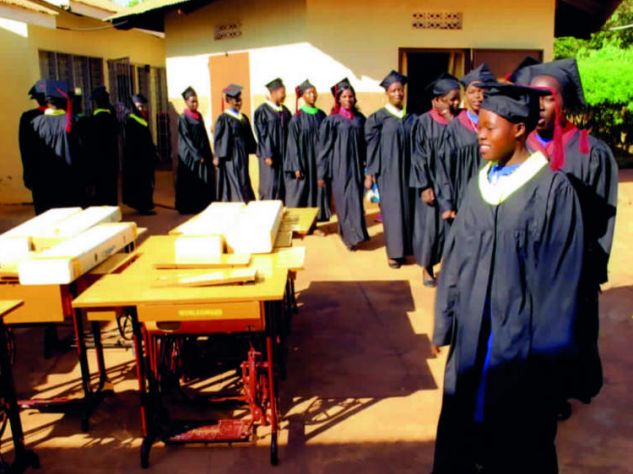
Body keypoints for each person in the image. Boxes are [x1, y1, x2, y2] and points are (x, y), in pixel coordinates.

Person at [432, 82, 583, 474]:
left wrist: (549, 361)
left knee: (516, 436)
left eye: (488, 126)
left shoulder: (553, 190)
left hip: (520, 342)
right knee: (464, 425)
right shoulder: (478, 184)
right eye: (478, 125)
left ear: (518, 129)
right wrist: (445, 322)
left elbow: (561, 285)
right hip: (471, 335)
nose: (478, 134)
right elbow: (456, 256)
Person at [520, 59, 618, 413]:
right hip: (527, 261)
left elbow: (602, 219)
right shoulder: (520, 147)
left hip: (571, 263)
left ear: (563, 102)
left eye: (547, 98)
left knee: (564, 328)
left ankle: (557, 391)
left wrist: (592, 266)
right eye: (533, 98)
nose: (539, 107)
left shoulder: (591, 151)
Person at [410, 72, 460, 286]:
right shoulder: (423, 123)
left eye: (459, 98)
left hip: (455, 185)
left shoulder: (461, 122)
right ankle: (427, 268)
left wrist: (452, 119)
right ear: (438, 100)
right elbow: (417, 156)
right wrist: (423, 186)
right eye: (452, 99)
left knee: (452, 229)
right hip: (432, 183)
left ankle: (451, 269)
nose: (457, 103)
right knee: (430, 229)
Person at [365, 70, 416, 268]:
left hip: (409, 172)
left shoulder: (411, 118)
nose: (398, 94)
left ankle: (406, 249)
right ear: (387, 93)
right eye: (393, 90)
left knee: (408, 210)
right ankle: (394, 253)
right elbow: (372, 146)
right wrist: (372, 172)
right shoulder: (378, 118)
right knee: (393, 211)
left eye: (400, 90)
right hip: (388, 173)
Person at [317, 78, 369, 250]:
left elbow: (366, 145)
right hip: (339, 167)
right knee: (343, 202)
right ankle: (349, 238)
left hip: (356, 167)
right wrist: (321, 173)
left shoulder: (360, 119)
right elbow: (324, 148)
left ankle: (355, 234)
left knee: (355, 200)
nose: (348, 100)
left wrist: (368, 168)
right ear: (338, 99)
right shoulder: (332, 121)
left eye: (351, 96)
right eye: (345, 97)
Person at [443, 64, 496, 210]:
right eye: (472, 92)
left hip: (492, 194)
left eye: (482, 91)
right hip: (463, 195)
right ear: (465, 94)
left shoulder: (497, 124)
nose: (478, 96)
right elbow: (445, 167)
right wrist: (448, 201)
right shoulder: (455, 127)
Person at [30, 80, 83, 214]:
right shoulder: (73, 121)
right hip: (70, 181)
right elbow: (82, 152)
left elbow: (32, 155)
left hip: (46, 182)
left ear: (47, 102)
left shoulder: (35, 123)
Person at [284, 79, 331, 224]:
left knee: (316, 192)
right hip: (304, 162)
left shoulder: (322, 115)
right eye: (309, 93)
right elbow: (291, 143)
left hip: (318, 162)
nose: (313, 95)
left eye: (314, 92)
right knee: (303, 194)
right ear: (302, 96)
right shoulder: (297, 118)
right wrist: (296, 165)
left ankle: (314, 224)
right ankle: (302, 225)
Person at [175, 86, 216, 214]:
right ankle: (189, 207)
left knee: (204, 178)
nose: (195, 104)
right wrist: (197, 155)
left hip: (202, 153)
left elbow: (203, 135)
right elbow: (186, 138)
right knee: (191, 180)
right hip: (189, 155)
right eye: (192, 101)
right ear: (186, 102)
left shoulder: (198, 116)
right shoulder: (183, 118)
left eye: (196, 101)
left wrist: (209, 153)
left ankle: (203, 204)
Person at [213, 84, 257, 203]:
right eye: (235, 100)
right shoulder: (224, 118)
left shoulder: (243, 118)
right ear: (228, 100)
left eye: (239, 99)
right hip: (231, 156)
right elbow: (219, 138)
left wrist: (256, 149)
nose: (238, 102)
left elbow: (249, 138)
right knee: (235, 179)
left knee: (243, 178)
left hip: (242, 155)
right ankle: (240, 201)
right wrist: (218, 155)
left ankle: (245, 199)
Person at [254, 78, 291, 201]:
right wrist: (267, 154)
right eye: (282, 92)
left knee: (281, 186)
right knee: (269, 185)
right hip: (269, 156)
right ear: (273, 93)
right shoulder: (262, 111)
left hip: (282, 155)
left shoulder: (285, 111)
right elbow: (262, 134)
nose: (284, 95)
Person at [122, 93, 156, 215]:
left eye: (142, 106)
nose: (141, 109)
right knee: (141, 183)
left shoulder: (140, 120)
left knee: (147, 183)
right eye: (138, 106)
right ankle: (143, 207)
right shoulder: (131, 121)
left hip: (145, 158)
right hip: (138, 160)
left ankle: (146, 205)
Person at [86, 86, 119, 206]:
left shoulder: (94, 119)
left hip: (98, 159)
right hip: (110, 157)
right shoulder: (110, 117)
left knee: (101, 186)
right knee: (110, 185)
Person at [18, 80, 47, 206]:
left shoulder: (27, 118)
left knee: (42, 210)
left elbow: (25, 148)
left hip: (38, 172)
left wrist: (27, 172)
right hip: (61, 174)